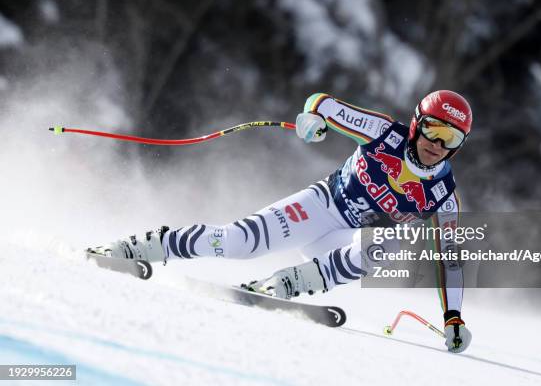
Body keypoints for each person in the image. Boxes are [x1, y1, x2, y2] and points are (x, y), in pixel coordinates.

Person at [89, 90, 473, 353]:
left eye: (450, 137)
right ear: (416, 123)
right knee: (236, 242)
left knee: (388, 246)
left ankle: (282, 286)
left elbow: (450, 259)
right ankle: (134, 247)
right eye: (432, 129)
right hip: (322, 206)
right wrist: (311, 120)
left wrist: (453, 318)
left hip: (345, 242)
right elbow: (321, 103)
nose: (437, 144)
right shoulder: (381, 132)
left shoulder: (444, 195)